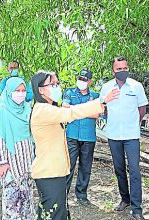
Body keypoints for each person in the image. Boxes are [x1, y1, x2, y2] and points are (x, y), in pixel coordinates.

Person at [30, 70, 119, 220]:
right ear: (40, 90)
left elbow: (69, 111)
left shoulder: (49, 109)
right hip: (49, 172)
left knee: (53, 212)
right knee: (54, 214)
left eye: (57, 84)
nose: (57, 87)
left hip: (55, 171)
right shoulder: (43, 110)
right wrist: (101, 101)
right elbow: (71, 113)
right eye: (52, 84)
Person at [100, 56, 148, 220]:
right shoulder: (106, 87)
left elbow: (142, 109)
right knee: (119, 169)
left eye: (124, 68)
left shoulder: (136, 86)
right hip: (113, 135)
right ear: (113, 71)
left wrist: (134, 123)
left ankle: (136, 208)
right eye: (118, 69)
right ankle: (125, 199)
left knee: (134, 171)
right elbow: (103, 108)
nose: (122, 71)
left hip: (131, 136)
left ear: (128, 69)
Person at [0, 77, 36, 219]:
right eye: (17, 90)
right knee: (12, 203)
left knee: (27, 201)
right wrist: (2, 162)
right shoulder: (2, 111)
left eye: (23, 91)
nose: (21, 94)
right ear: (9, 91)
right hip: (11, 163)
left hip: (27, 160)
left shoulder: (27, 108)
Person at [63, 68, 100, 204]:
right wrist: (86, 110)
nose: (82, 81)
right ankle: (63, 195)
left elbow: (96, 114)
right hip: (72, 135)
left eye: (85, 79)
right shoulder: (69, 92)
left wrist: (74, 110)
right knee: (68, 165)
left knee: (85, 167)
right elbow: (65, 109)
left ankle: (81, 195)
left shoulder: (95, 96)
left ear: (89, 81)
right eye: (80, 78)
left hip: (88, 137)